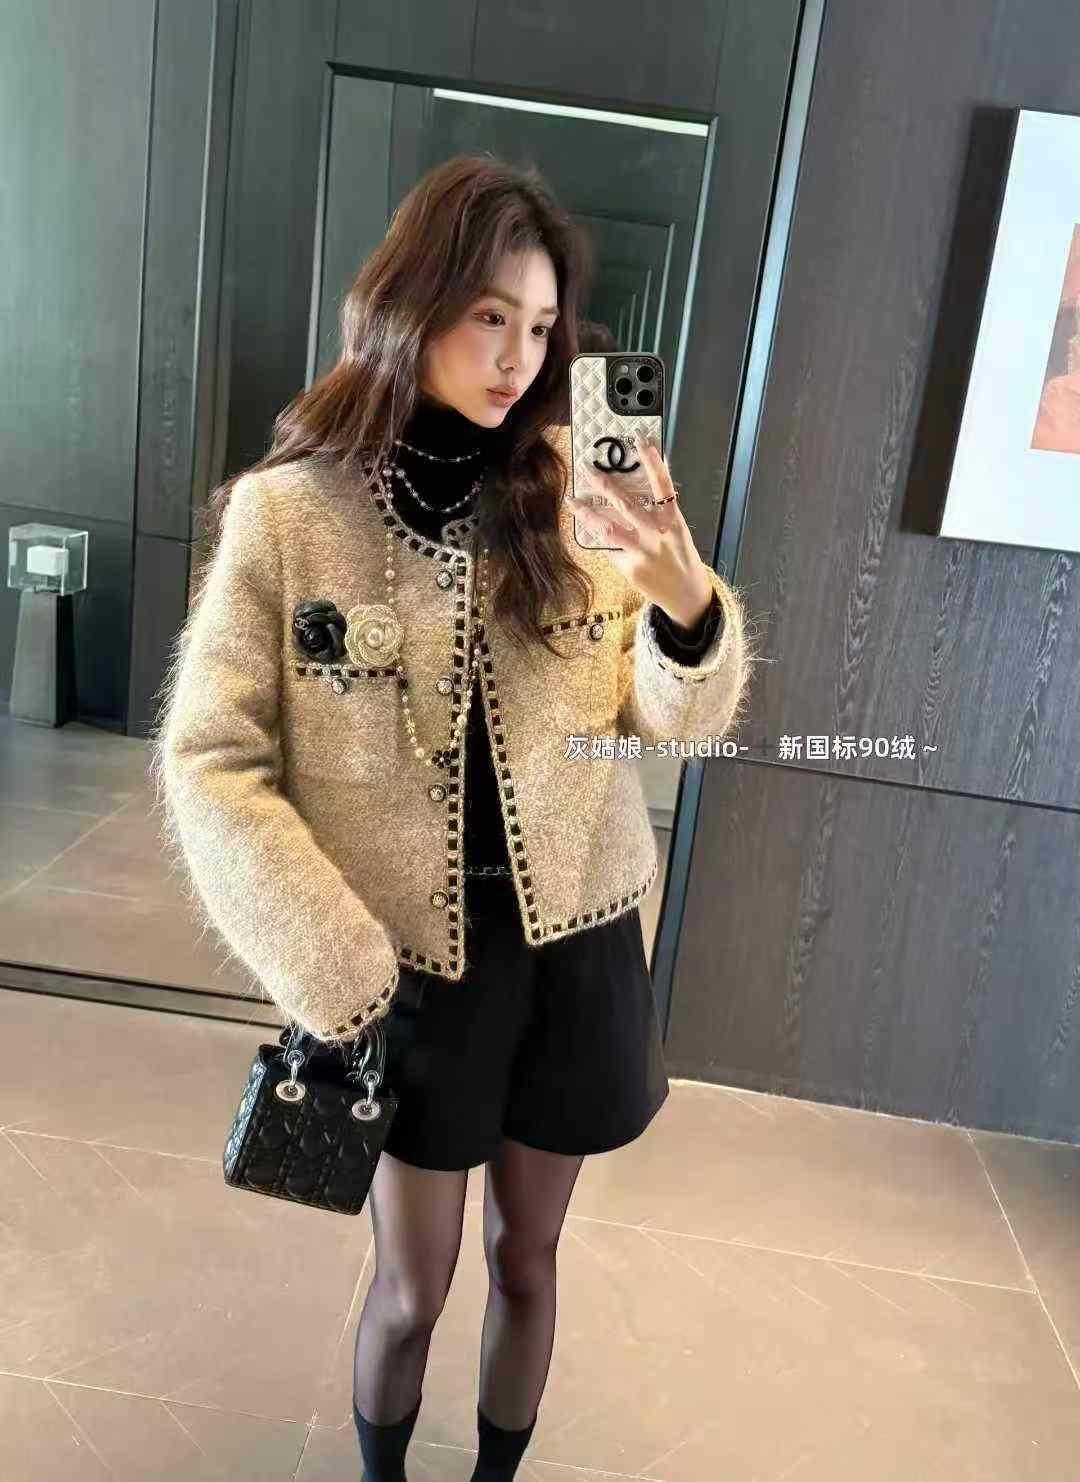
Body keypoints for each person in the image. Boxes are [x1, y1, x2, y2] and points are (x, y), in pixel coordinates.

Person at [149, 153, 754, 1482]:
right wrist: (334, 964)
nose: (516, 356)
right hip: (408, 967)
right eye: (489, 315)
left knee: (530, 1260)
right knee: (410, 1290)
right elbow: (210, 760)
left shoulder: (584, 490)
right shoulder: (292, 516)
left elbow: (676, 720)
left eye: (539, 326)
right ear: (411, 301)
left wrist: (682, 598)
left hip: (578, 949)